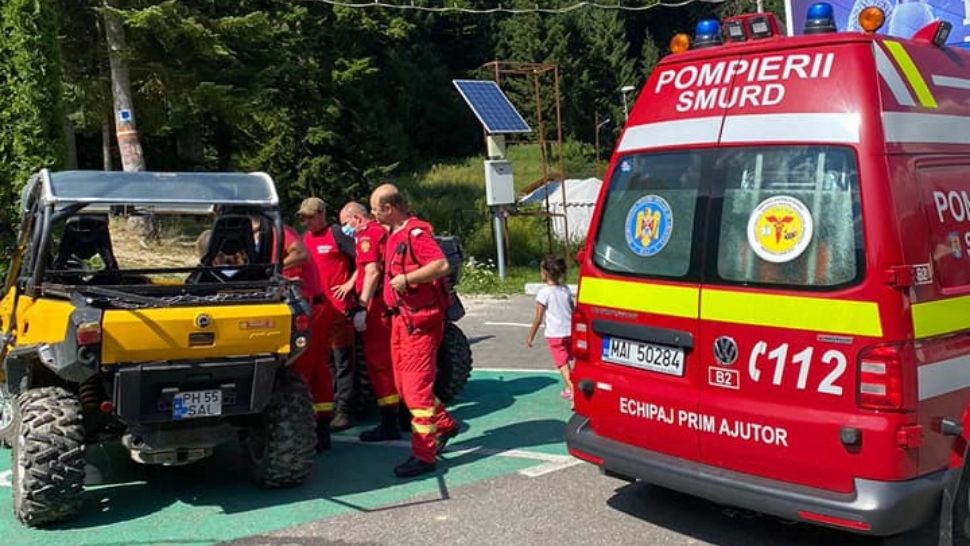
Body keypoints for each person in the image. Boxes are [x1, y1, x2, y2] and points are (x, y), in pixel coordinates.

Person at [370, 183, 459, 478]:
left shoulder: (415, 233)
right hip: (401, 321)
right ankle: (444, 424)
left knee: (416, 390)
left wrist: (406, 278)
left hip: (418, 323)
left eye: (375, 209)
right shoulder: (393, 234)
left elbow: (440, 264)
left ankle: (424, 455)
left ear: (389, 208)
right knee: (404, 386)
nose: (372, 215)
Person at [252, 214, 334, 452]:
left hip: (308, 306)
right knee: (318, 370)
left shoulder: (277, 232)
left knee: (301, 370)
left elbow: (300, 253)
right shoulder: (272, 233)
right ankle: (322, 430)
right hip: (313, 305)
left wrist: (269, 271)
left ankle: (305, 432)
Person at [339, 201, 401, 442]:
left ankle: (389, 422)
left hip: (376, 307)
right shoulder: (379, 232)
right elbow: (364, 268)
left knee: (379, 364)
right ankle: (398, 417)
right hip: (381, 304)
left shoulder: (368, 235)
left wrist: (362, 306)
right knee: (388, 362)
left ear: (357, 218)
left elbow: (373, 271)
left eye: (346, 223)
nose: (345, 229)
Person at [298, 197, 357, 431]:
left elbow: (364, 261)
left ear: (322, 213)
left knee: (343, 362)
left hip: (340, 310)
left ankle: (345, 410)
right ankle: (327, 408)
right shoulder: (305, 240)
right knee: (326, 363)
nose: (307, 222)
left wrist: (350, 284)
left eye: (310, 217)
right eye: (303, 217)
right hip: (318, 312)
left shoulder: (336, 234)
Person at [525, 255, 574, 400]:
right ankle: (569, 386)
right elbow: (573, 309)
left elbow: (538, 319)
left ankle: (573, 390)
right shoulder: (565, 290)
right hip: (569, 331)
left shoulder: (544, 293)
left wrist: (530, 336)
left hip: (555, 334)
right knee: (570, 360)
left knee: (562, 364)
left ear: (545, 273)